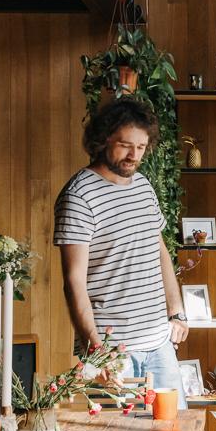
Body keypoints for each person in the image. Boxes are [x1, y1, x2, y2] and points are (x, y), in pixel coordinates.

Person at [54, 98, 189, 400]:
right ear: (103, 140)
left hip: (159, 344)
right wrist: (95, 351)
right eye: (126, 145)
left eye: (141, 147)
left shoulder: (142, 185)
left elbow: (159, 251)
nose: (134, 155)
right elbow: (73, 282)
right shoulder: (79, 196)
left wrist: (177, 311)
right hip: (113, 354)